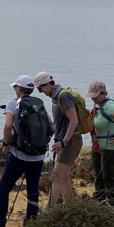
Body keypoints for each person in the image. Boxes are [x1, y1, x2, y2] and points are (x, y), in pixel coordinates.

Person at [0, 75, 48, 227]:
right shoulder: (39, 105)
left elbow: (8, 125)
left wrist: (6, 144)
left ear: (20, 89)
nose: (14, 89)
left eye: (15, 87)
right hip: (38, 156)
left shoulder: (13, 103)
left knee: (4, 187)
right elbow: (50, 126)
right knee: (32, 190)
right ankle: (30, 223)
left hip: (19, 156)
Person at [33, 72, 81, 207]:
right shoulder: (56, 97)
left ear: (47, 84)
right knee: (63, 177)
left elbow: (74, 121)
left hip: (69, 141)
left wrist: (64, 142)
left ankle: (50, 209)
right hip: (64, 141)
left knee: (57, 176)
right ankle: (70, 207)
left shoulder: (63, 96)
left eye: (40, 88)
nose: (41, 92)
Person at [87, 80, 114, 206]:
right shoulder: (97, 106)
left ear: (104, 93)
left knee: (109, 176)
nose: (93, 99)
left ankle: (113, 201)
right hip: (99, 146)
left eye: (95, 96)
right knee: (99, 174)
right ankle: (100, 198)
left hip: (112, 147)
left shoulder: (109, 105)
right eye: (92, 96)